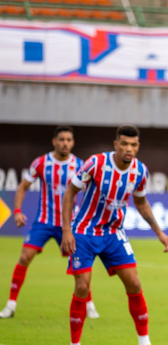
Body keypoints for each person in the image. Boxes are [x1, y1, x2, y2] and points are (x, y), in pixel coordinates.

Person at [59, 125, 168, 345]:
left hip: (114, 233)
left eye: (133, 145)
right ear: (116, 144)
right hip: (84, 232)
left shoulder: (140, 171)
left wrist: (160, 233)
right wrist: (67, 230)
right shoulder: (95, 163)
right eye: (124, 144)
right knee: (82, 286)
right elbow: (70, 193)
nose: (129, 149)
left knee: (134, 283)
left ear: (138, 147)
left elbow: (141, 203)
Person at [0, 126, 99, 319]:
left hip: (70, 226)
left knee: (80, 264)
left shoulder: (80, 165)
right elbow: (22, 187)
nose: (65, 143)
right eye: (61, 139)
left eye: (69, 140)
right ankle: (10, 305)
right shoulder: (41, 163)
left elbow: (91, 193)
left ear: (73, 142)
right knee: (25, 257)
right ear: (54, 141)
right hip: (44, 222)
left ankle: (89, 304)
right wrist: (18, 211)